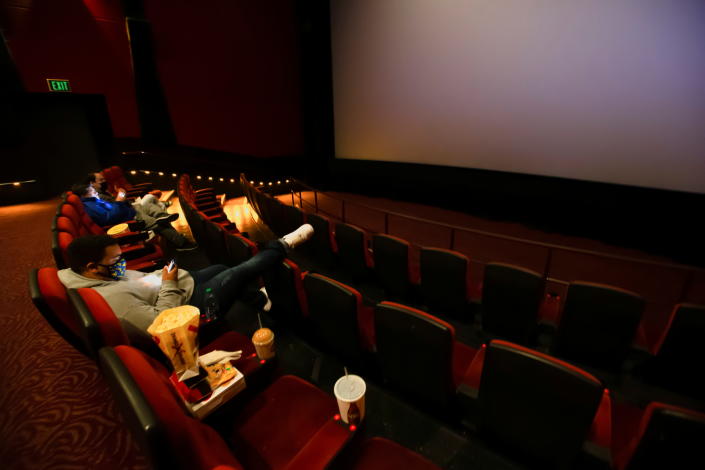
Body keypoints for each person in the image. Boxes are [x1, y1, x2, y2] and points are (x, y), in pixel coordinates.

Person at [57, 224, 313, 346]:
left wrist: (165, 275)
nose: (122, 263)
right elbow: (163, 324)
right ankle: (282, 244)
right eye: (116, 260)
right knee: (240, 271)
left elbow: (140, 283)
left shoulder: (101, 275)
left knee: (222, 270)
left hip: (178, 285)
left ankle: (261, 303)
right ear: (91, 267)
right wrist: (168, 282)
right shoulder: (113, 302)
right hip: (190, 310)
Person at [70, 183, 196, 251]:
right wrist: (119, 201)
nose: (96, 192)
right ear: (83, 195)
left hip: (129, 212)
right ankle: (180, 242)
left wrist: (121, 202)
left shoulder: (95, 201)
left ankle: (162, 217)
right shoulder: (89, 206)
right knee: (157, 223)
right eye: (92, 191)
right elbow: (108, 218)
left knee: (151, 210)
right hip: (126, 222)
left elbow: (113, 208)